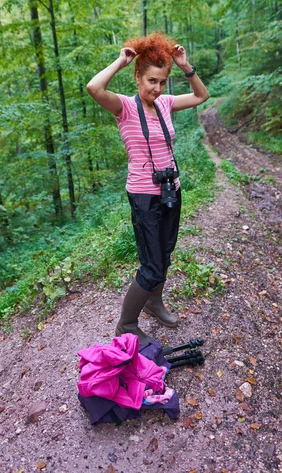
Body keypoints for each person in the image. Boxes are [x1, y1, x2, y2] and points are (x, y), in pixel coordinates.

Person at [87, 32, 209, 343]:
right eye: (151, 81)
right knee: (151, 264)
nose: (156, 88)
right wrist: (120, 60)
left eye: (161, 82)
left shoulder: (166, 103)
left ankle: (154, 303)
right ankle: (126, 324)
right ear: (138, 78)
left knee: (164, 254)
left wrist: (185, 66)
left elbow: (200, 97)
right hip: (144, 195)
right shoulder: (124, 107)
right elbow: (93, 88)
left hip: (171, 188)